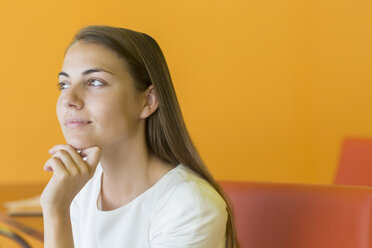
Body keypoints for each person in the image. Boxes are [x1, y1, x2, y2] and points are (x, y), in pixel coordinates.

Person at [40, 24, 239, 248]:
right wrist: (56, 208)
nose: (69, 99)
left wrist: (56, 212)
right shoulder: (80, 189)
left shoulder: (190, 207)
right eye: (64, 84)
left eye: (95, 82)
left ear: (147, 101)